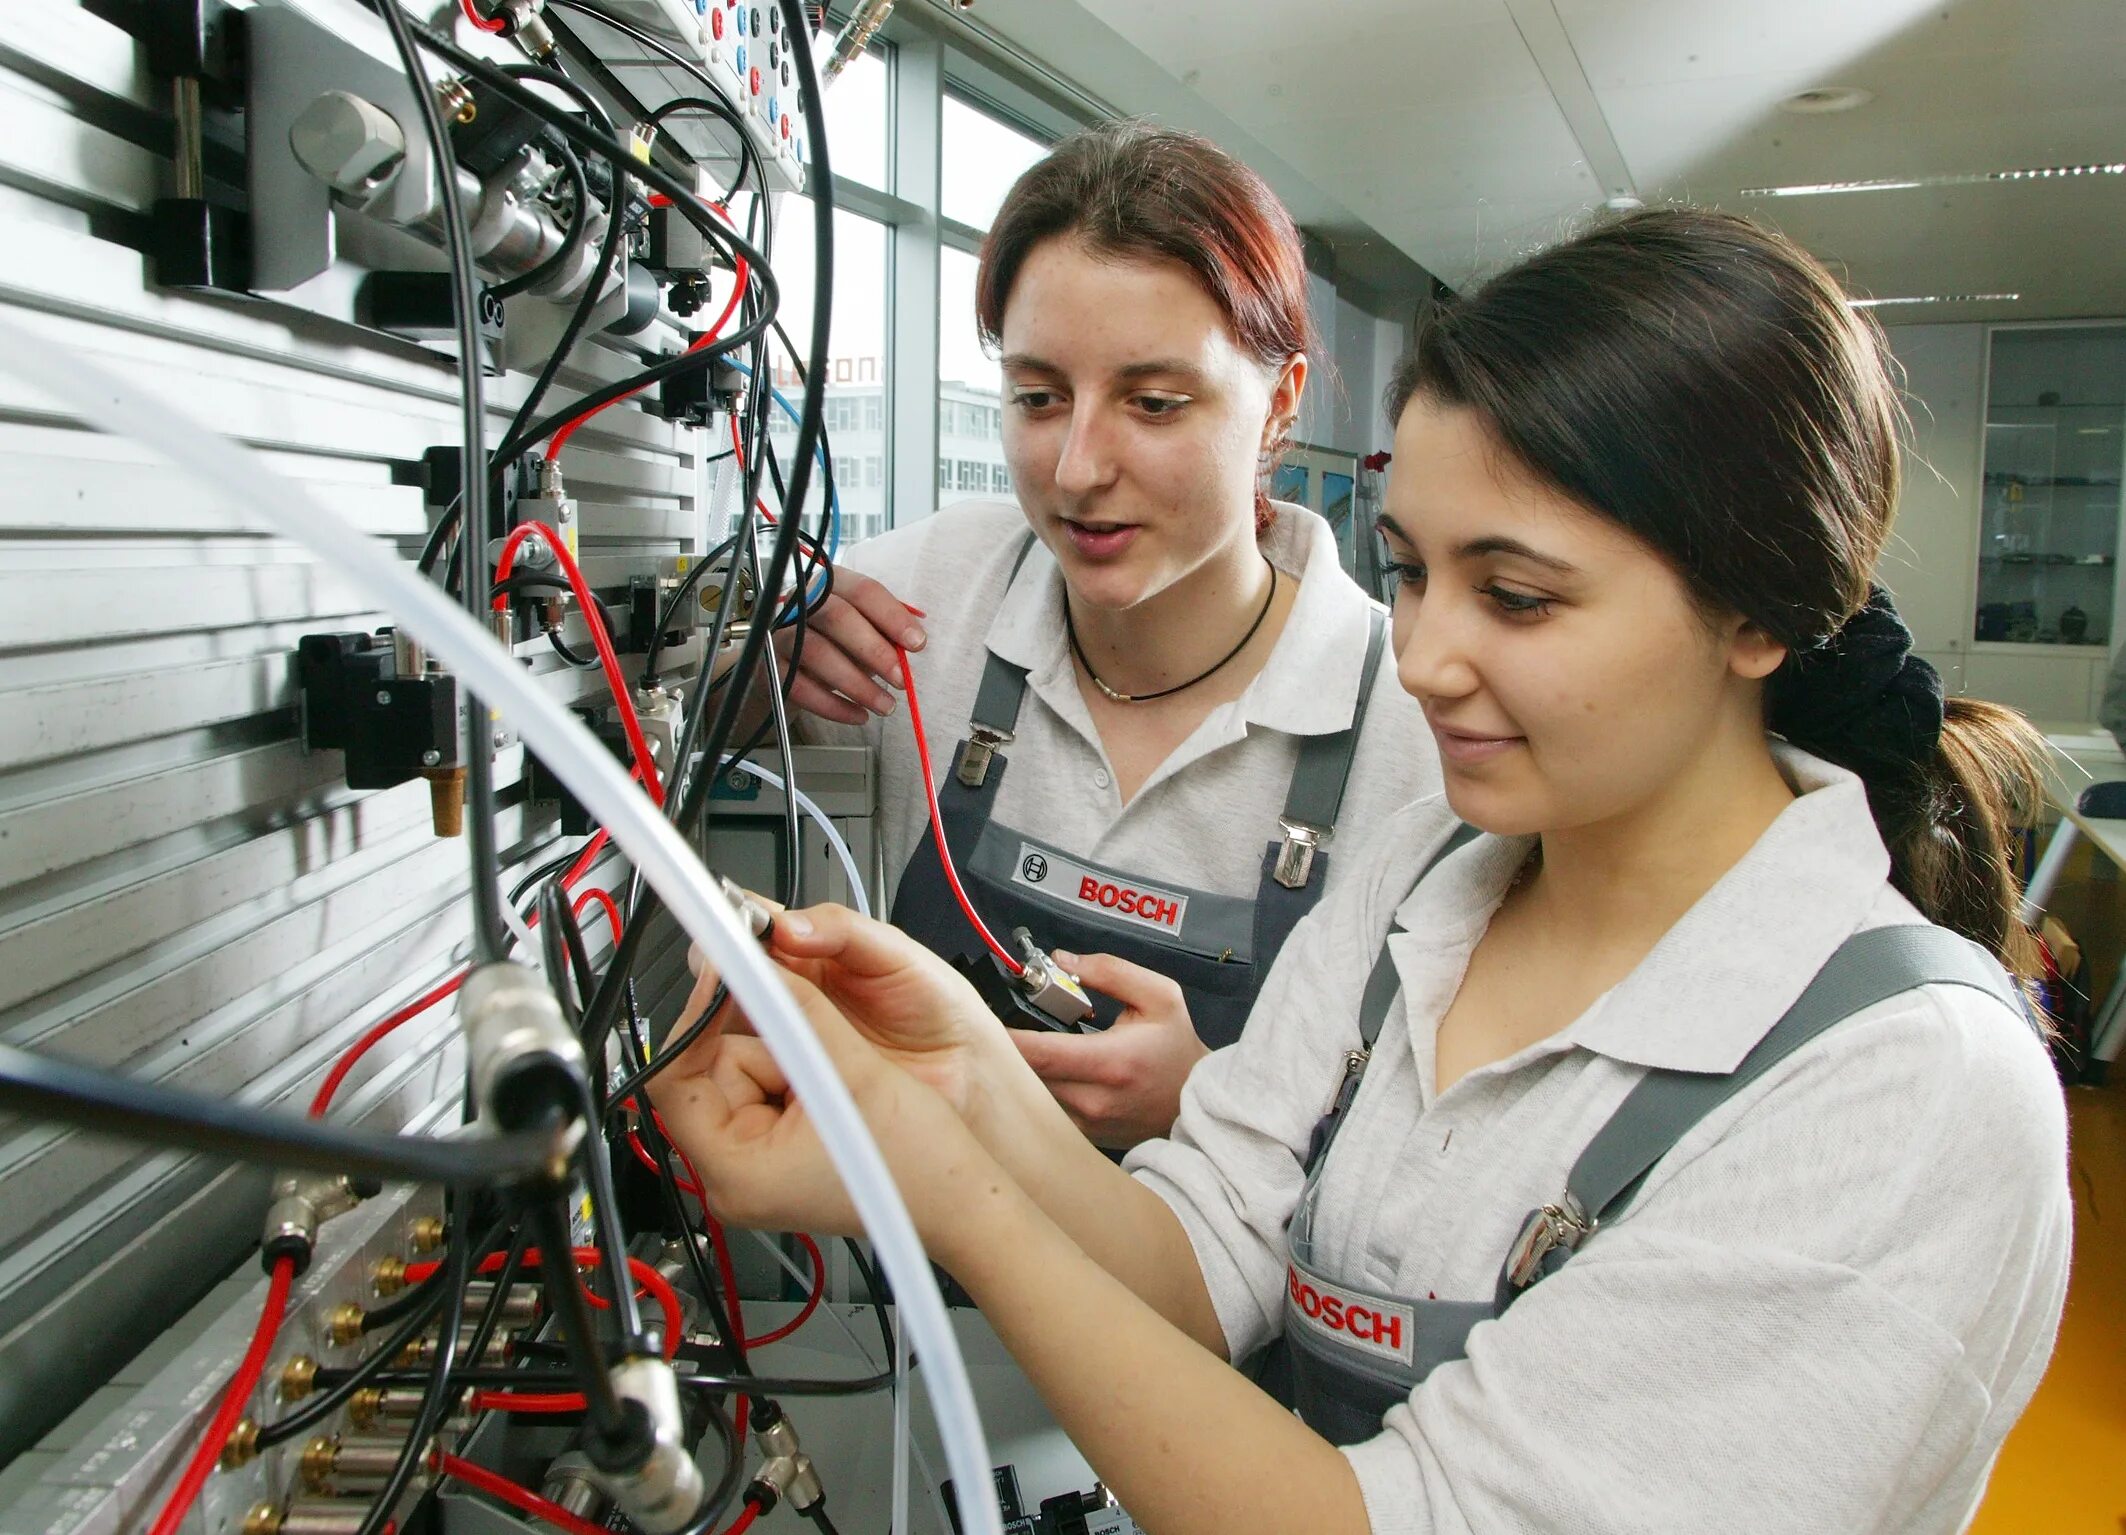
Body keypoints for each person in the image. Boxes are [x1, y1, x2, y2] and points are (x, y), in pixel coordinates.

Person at [660, 209, 2072, 1532]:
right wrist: (958, 1069)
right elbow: (1202, 1252)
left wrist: (944, 1189)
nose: (1423, 655)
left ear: (1755, 608)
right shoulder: (1431, 875)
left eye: (1515, 595)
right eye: (1406, 571)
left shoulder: (1904, 1087)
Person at [770, 122, 1436, 1147]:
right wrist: (755, 649)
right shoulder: (932, 596)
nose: (1077, 468)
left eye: (1154, 402)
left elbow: (1442, 1155)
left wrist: (1215, 1107)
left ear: (1279, 406)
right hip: (901, 1294)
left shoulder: (1410, 725)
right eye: (1037, 397)